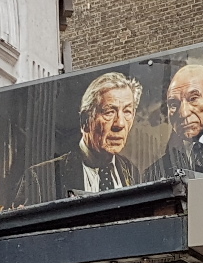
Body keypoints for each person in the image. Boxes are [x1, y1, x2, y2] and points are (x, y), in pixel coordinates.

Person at [14, 72, 142, 206]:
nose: (120, 124)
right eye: (109, 112)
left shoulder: (131, 171)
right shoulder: (39, 177)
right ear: (85, 121)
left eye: (127, 112)